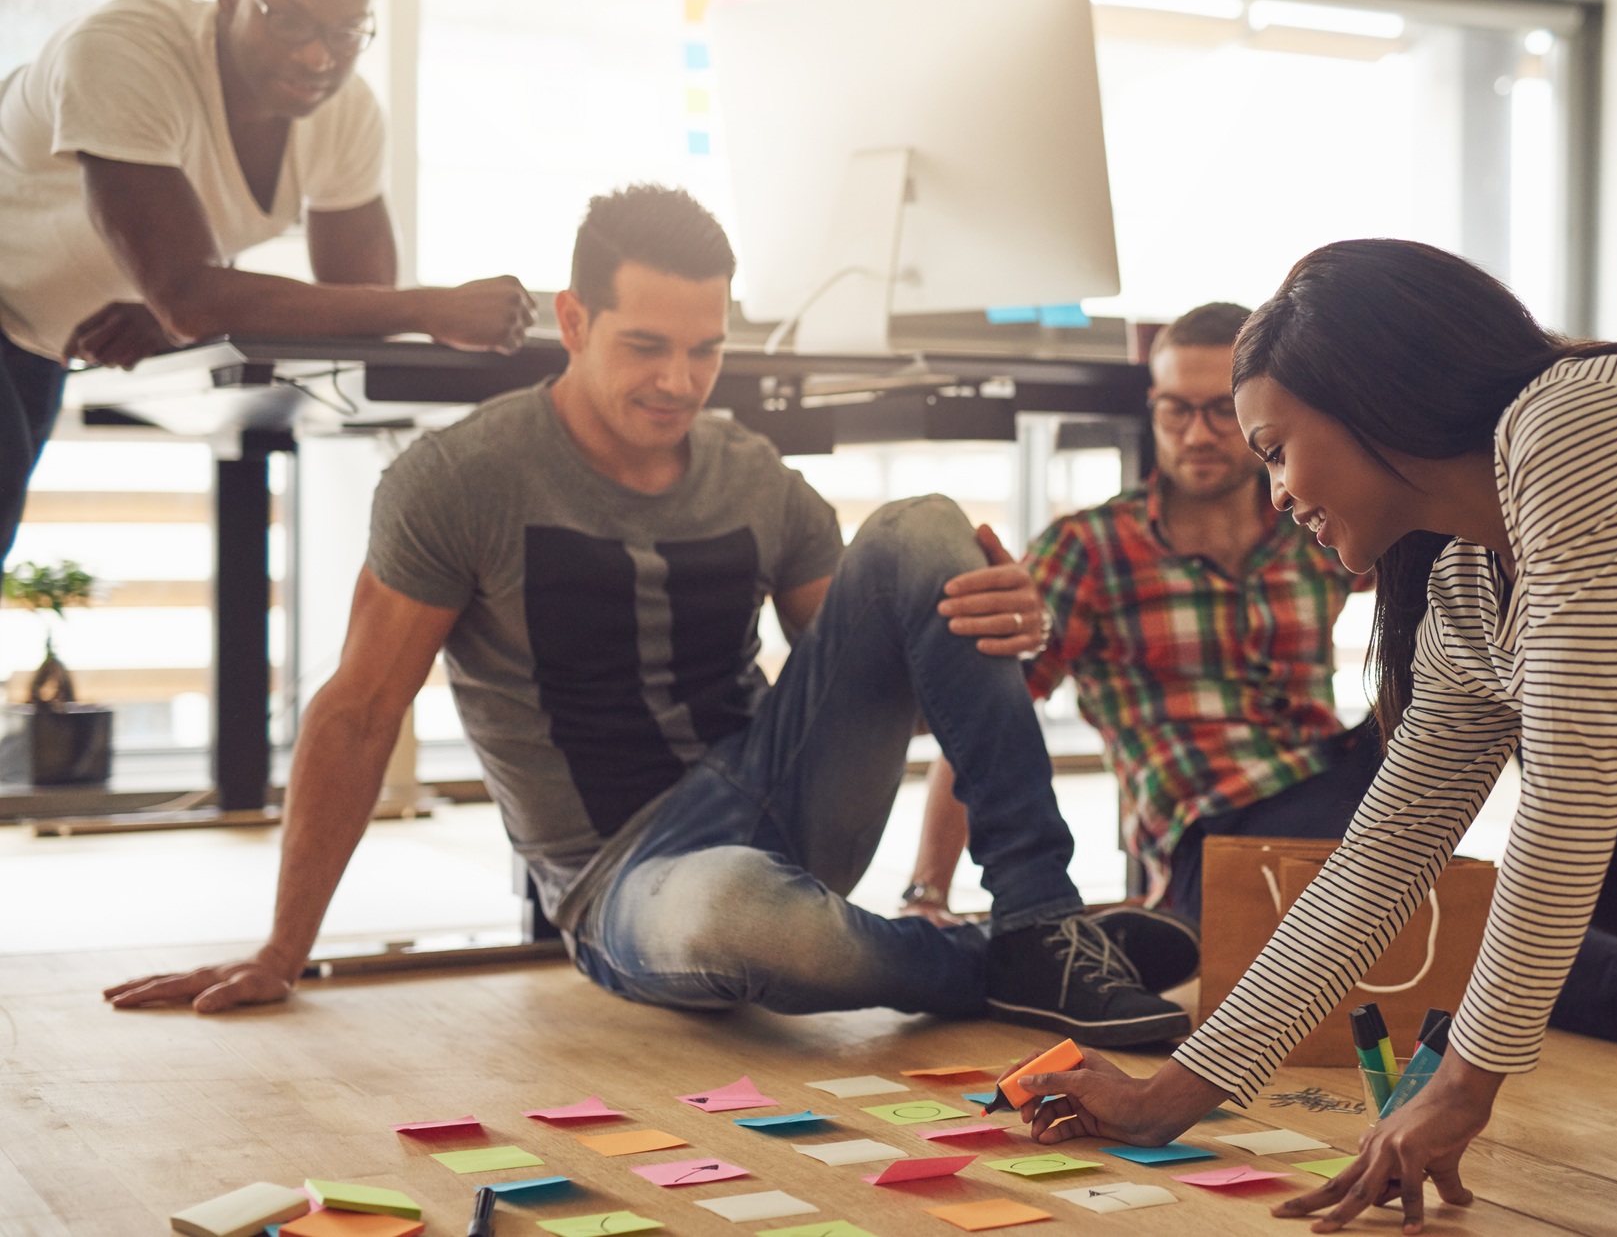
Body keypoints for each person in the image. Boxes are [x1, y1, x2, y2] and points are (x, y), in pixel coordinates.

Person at [1001, 240, 1617, 1236]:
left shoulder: (1580, 420)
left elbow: (1572, 785)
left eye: (1272, 447)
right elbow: (1379, 859)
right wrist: (1170, 1091)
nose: (1274, 495)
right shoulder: (1468, 594)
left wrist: (1462, 1080)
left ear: (1367, 397)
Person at [102, 183, 1196, 1048]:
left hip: (779, 792)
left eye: (705, 348)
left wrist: (980, 615)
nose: (681, 380)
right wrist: (284, 948)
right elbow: (358, 708)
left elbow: (877, 691)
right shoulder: (458, 479)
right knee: (738, 914)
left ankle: (1041, 916)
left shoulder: (751, 471)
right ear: (573, 321)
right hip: (624, 881)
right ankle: (988, 962)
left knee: (920, 530)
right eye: (646, 346)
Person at [907, 300, 1617, 1077]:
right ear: (1152, 411)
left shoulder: (1312, 514)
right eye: (1177, 406)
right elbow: (985, 722)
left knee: (1514, 894)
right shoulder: (1090, 546)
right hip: (1215, 822)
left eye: (1226, 411)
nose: (1201, 431)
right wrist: (927, 886)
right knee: (1460, 930)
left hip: (1346, 773)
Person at [0, 0, 537, 562]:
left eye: (346, 31)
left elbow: (357, 308)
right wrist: (433, 306)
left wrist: (176, 319)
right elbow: (192, 293)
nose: (317, 56)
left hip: (36, 342)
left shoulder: (345, 116)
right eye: (288, 18)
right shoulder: (125, 52)